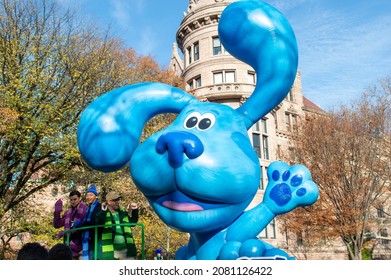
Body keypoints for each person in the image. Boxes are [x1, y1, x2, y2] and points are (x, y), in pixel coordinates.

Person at [96, 191, 139, 260]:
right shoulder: (102, 213)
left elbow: (133, 223)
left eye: (119, 200)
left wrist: (135, 210)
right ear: (109, 202)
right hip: (111, 251)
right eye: (115, 200)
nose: (118, 202)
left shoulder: (122, 213)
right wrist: (103, 213)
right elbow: (98, 225)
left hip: (126, 250)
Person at [53, 190, 87, 259]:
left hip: (81, 246)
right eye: (71, 200)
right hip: (69, 247)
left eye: (75, 199)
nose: (73, 201)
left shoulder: (85, 210)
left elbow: (80, 228)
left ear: (80, 198)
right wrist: (57, 211)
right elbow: (57, 224)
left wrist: (64, 233)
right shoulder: (68, 212)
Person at [74, 185, 102, 260]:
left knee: (93, 257)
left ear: (96, 196)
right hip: (88, 238)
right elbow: (87, 221)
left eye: (91, 195)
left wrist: (80, 224)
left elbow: (94, 222)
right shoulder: (88, 208)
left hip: (95, 238)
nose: (88, 197)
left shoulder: (99, 207)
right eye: (87, 195)